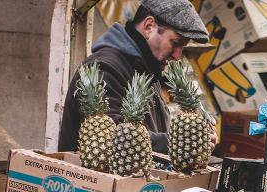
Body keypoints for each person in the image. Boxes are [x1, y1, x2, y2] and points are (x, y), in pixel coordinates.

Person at [57, 0, 209, 153]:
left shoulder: (147, 69)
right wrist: (182, 142)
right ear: (149, 27)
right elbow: (111, 140)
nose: (178, 56)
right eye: (176, 43)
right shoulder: (104, 68)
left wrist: (194, 137)